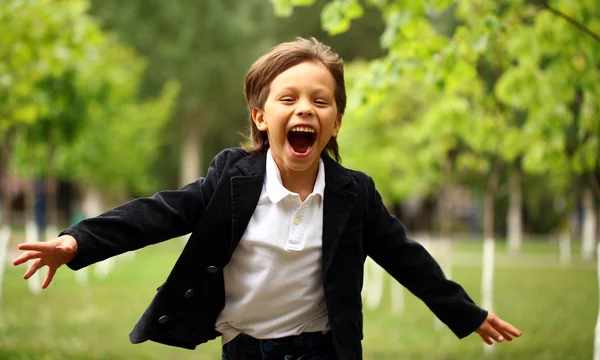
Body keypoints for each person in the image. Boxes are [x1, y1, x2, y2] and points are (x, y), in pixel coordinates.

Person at [13, 38, 521, 360]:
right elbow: (157, 213)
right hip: (246, 352)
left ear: (336, 123)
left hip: (325, 352)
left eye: (321, 102)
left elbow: (406, 259)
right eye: (289, 99)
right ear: (261, 117)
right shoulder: (231, 178)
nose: (306, 109)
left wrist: (466, 313)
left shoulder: (353, 193)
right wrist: (76, 242)